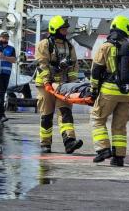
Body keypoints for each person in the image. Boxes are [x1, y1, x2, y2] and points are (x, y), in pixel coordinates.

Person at [89, 15, 129, 167]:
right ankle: (118, 158)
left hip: (109, 90)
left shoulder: (105, 47)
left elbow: (96, 70)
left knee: (97, 119)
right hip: (127, 93)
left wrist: (93, 90)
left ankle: (103, 149)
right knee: (120, 125)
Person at [34, 15, 83, 154]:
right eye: (63, 29)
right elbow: (42, 63)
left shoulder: (69, 45)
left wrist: (72, 84)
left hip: (63, 85)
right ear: (55, 29)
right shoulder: (45, 44)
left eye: (66, 29)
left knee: (65, 112)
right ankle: (45, 143)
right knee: (47, 114)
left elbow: (74, 65)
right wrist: (47, 81)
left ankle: (69, 141)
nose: (65, 32)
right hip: (46, 85)